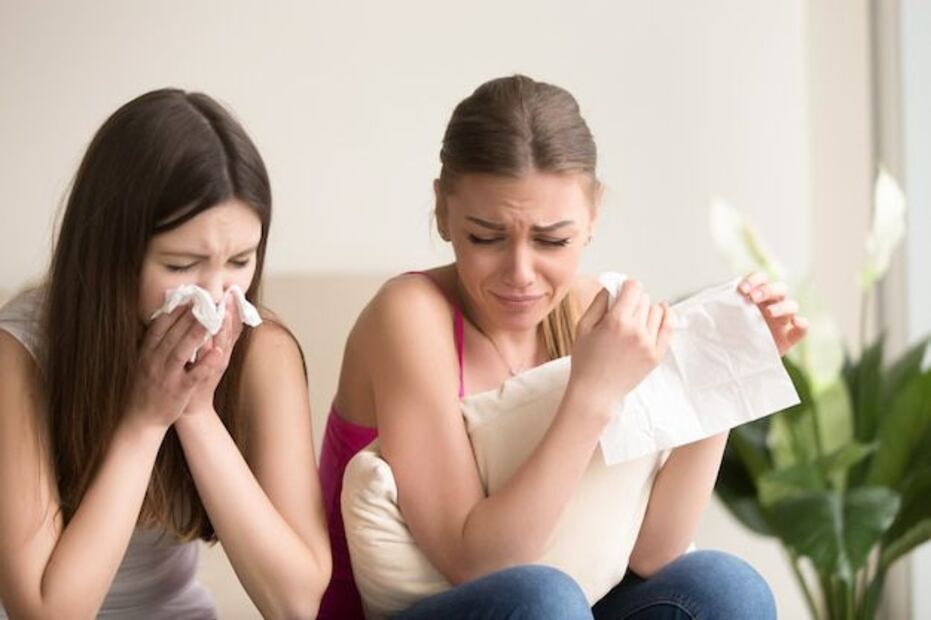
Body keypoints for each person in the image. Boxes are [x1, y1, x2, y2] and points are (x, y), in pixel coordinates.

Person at [319, 75, 805, 619]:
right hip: (468, 608)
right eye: (486, 237)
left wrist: (721, 370)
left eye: (552, 240)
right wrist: (592, 394)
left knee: (725, 586)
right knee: (545, 601)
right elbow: (474, 564)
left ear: (593, 217)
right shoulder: (409, 315)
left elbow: (653, 552)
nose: (521, 274)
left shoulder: (591, 309)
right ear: (442, 210)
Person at [0, 89, 330, 619]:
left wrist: (196, 412)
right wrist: (146, 420)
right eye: (180, 266)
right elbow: (45, 614)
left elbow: (296, 601)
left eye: (241, 260)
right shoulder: (20, 356)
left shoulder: (263, 350)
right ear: (111, 253)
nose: (216, 295)